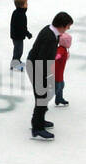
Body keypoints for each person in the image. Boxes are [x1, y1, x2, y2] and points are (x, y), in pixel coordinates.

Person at [27, 11, 71, 141]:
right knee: (42, 97)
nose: (68, 29)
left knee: (43, 96)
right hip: (37, 68)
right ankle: (37, 128)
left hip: (39, 66)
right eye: (68, 26)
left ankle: (39, 121)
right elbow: (42, 58)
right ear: (62, 25)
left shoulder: (52, 32)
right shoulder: (50, 37)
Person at [10, 0, 30, 72]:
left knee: (17, 50)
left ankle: (16, 61)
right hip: (17, 36)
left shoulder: (18, 12)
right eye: (26, 3)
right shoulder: (20, 15)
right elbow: (22, 27)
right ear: (22, 5)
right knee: (18, 51)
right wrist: (27, 34)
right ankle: (15, 63)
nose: (27, 4)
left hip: (16, 35)